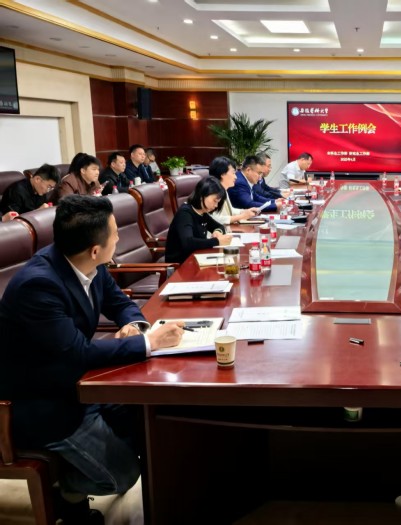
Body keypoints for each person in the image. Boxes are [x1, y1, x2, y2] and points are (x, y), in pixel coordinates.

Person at [0, 195, 184, 523]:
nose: (119, 237)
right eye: (115, 233)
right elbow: (78, 352)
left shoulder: (84, 261)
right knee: (123, 476)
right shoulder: (38, 286)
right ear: (95, 249)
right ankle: (64, 492)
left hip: (81, 382)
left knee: (145, 425)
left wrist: (136, 325)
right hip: (44, 402)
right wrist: (148, 342)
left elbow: (119, 303)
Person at [165, 177, 233, 264]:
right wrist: (217, 241)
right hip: (180, 265)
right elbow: (188, 243)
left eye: (218, 202)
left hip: (196, 259)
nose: (216, 205)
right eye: (215, 201)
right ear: (202, 195)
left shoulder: (202, 212)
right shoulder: (185, 213)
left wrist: (217, 231)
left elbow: (219, 226)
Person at [206, 156, 258, 225]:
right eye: (233, 173)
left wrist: (244, 211)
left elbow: (230, 210)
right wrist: (241, 216)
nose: (236, 177)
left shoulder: (223, 189)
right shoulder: (212, 192)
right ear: (222, 174)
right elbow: (215, 219)